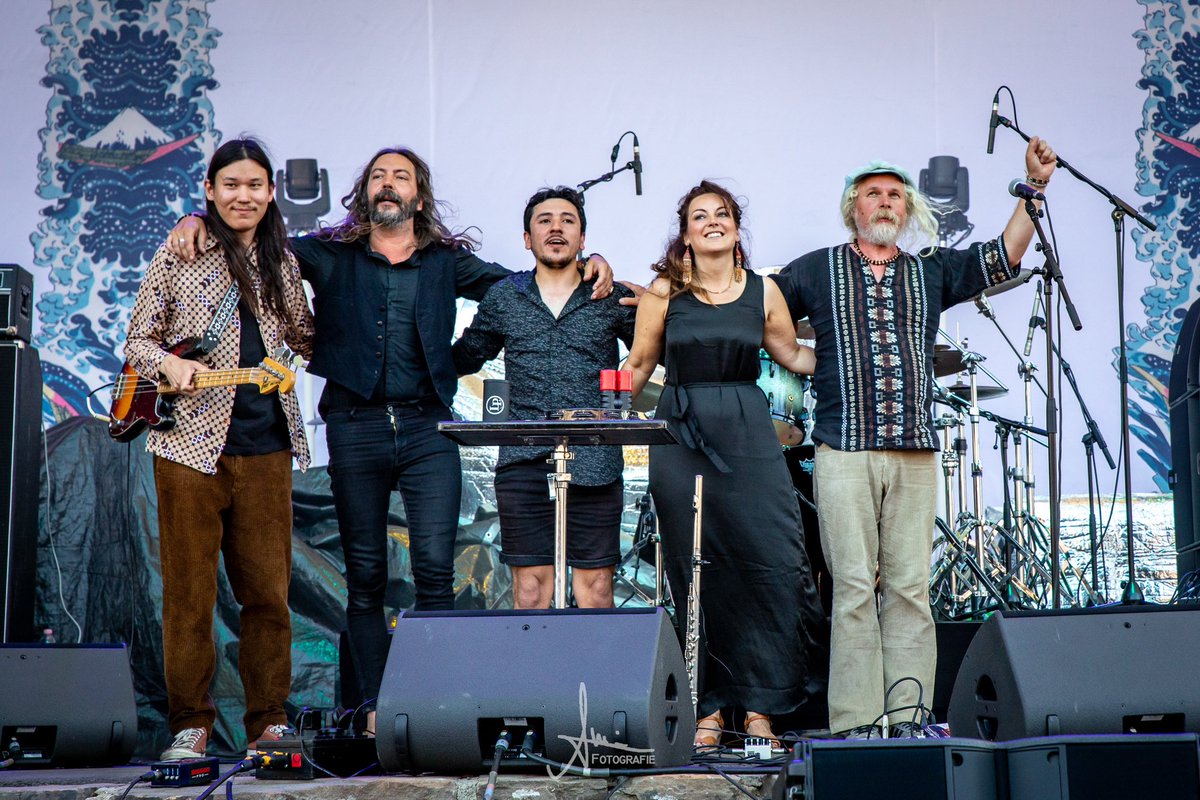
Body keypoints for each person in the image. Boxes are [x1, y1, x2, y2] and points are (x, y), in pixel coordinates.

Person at [166, 148, 614, 729]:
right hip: (355, 428)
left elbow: (531, 286)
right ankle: (376, 706)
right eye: (378, 176)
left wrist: (594, 262)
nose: (388, 184)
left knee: (434, 567)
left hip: (429, 428)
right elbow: (251, 243)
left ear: (418, 197)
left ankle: (438, 708)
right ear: (365, 192)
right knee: (366, 575)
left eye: (401, 176)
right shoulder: (329, 254)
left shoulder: (447, 262)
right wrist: (198, 219)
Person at [770, 138, 1058, 738]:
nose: (884, 202)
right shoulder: (816, 267)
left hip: (914, 451)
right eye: (873, 193)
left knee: (907, 589)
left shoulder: (931, 269)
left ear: (906, 210)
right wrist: (796, 355)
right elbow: (761, 305)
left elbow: (1002, 258)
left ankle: (908, 719)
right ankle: (853, 726)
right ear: (854, 208)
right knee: (851, 590)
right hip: (842, 449)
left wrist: (1033, 189)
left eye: (895, 194)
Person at [127, 138, 315, 759]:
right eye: (231, 184)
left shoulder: (283, 261)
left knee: (268, 592)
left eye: (256, 185)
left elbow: (302, 338)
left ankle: (269, 721)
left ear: (270, 193)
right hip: (187, 446)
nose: (244, 195)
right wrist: (167, 366)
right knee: (190, 593)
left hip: (266, 447)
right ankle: (191, 723)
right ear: (209, 191)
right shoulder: (180, 249)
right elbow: (137, 341)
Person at [624, 180, 824, 748]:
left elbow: (793, 356)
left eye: (723, 214)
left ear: (736, 228)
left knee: (772, 559)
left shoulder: (762, 290)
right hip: (682, 433)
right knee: (696, 567)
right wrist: (595, 409)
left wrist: (847, 355)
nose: (712, 221)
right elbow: (638, 365)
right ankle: (708, 705)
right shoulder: (664, 291)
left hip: (746, 431)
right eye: (699, 215)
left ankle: (762, 705)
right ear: (685, 233)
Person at [452, 187, 635, 609]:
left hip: (596, 462)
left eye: (568, 220)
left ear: (583, 240)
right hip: (523, 462)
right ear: (526, 238)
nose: (556, 228)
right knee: (532, 591)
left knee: (596, 591)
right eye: (544, 220)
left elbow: (650, 349)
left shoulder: (609, 295)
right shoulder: (505, 296)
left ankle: (593, 679)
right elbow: (465, 355)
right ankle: (536, 678)